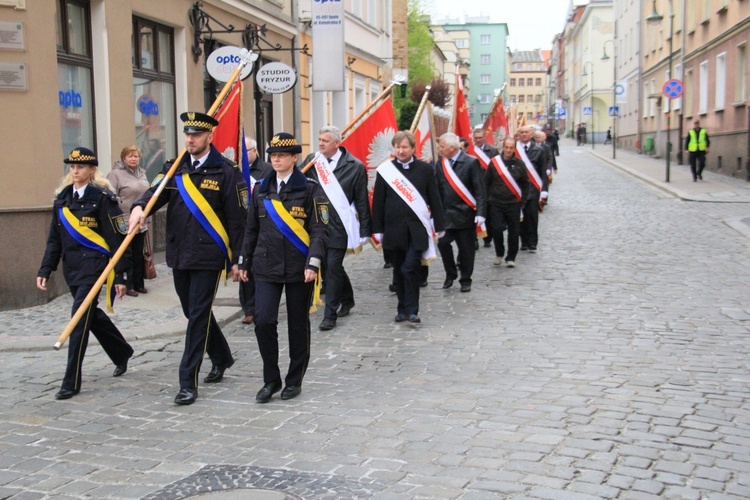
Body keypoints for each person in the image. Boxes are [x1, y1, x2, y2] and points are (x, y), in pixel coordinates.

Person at [130, 111, 247, 406]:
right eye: (187, 135)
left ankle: (187, 381)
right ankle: (222, 357)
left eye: (196, 135)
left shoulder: (226, 171)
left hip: (209, 255)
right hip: (180, 252)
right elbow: (155, 193)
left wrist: (238, 259)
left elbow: (237, 221)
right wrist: (140, 207)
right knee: (194, 311)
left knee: (196, 316)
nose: (190, 139)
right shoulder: (175, 168)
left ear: (210, 137)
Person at [37, 147, 134, 400]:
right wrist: (46, 269)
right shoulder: (62, 198)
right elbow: (54, 240)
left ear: (92, 170)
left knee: (79, 320)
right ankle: (122, 351)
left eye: (81, 167)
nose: (76, 171)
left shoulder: (102, 197)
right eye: (72, 167)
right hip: (73, 269)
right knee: (92, 316)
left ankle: (71, 382)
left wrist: (121, 276)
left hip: (95, 268)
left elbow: (117, 239)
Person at [239, 133, 329, 403]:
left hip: (299, 266)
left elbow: (319, 230)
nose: (276, 159)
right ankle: (271, 379)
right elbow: (251, 228)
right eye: (273, 155)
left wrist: (313, 262)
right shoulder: (262, 188)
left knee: (297, 325)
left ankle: (294, 379)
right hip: (266, 265)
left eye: (282, 155)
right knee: (263, 321)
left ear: (294, 157)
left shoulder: (310, 188)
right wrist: (244, 260)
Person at [371, 131, 445, 323]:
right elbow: (378, 201)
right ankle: (401, 309)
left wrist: (439, 222)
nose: (401, 151)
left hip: (416, 230)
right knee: (398, 271)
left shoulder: (425, 170)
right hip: (393, 230)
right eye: (397, 147)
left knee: (409, 269)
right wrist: (377, 229)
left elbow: (434, 198)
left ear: (413, 148)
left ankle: (412, 310)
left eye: (404, 147)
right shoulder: (386, 170)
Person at [303, 126, 371, 331]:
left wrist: (366, 230)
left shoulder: (355, 166)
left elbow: (361, 201)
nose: (321, 143)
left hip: (338, 226)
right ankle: (347, 298)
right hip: (315, 225)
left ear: (336, 143)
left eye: (325, 140)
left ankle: (329, 315)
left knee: (332, 268)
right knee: (328, 266)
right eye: (319, 139)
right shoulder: (312, 161)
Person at [435, 132, 486, 293]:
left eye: (442, 146)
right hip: (446, 215)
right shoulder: (440, 163)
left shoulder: (471, 162)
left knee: (466, 250)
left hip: (465, 214)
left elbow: (480, 189)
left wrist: (481, 213)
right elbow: (437, 189)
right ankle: (450, 274)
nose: (439, 149)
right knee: (443, 244)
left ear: (451, 148)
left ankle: (465, 279)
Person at [107, 145, 151, 297]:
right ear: (124, 158)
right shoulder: (115, 174)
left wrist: (147, 216)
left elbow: (148, 196)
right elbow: (110, 197)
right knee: (126, 254)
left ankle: (139, 283)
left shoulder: (142, 173)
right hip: (124, 220)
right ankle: (128, 284)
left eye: (136, 156)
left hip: (141, 220)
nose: (133, 159)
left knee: (138, 254)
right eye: (130, 156)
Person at [239, 136, 273, 325]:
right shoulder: (236, 170)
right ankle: (248, 309)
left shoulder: (267, 170)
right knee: (244, 266)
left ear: (255, 151)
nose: (245, 155)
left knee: (257, 268)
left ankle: (261, 304)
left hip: (262, 225)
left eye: (247, 151)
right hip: (242, 224)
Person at [485, 137, 529, 268]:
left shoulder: (520, 164)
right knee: (497, 229)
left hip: (513, 202)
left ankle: (511, 257)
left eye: (511, 147)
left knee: (514, 231)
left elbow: (526, 184)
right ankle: (499, 253)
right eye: (506, 147)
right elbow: (486, 182)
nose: (509, 150)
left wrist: (523, 202)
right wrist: (487, 199)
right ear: (502, 148)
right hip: (496, 202)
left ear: (514, 149)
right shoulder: (494, 162)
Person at [516, 125, 549, 253]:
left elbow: (542, 173)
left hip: (533, 189)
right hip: (518, 190)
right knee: (520, 218)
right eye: (521, 132)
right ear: (519, 135)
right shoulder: (514, 149)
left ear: (531, 135)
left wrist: (544, 191)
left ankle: (532, 242)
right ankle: (523, 242)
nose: (524, 134)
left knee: (532, 217)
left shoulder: (539, 150)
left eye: (526, 132)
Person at [472, 127, 499, 248]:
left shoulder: (493, 151)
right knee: (473, 213)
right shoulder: (470, 151)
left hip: (488, 186)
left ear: (484, 137)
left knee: (487, 213)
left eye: (480, 137)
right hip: (473, 187)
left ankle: (488, 237)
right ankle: (475, 238)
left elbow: (497, 168)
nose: (478, 140)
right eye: (476, 138)